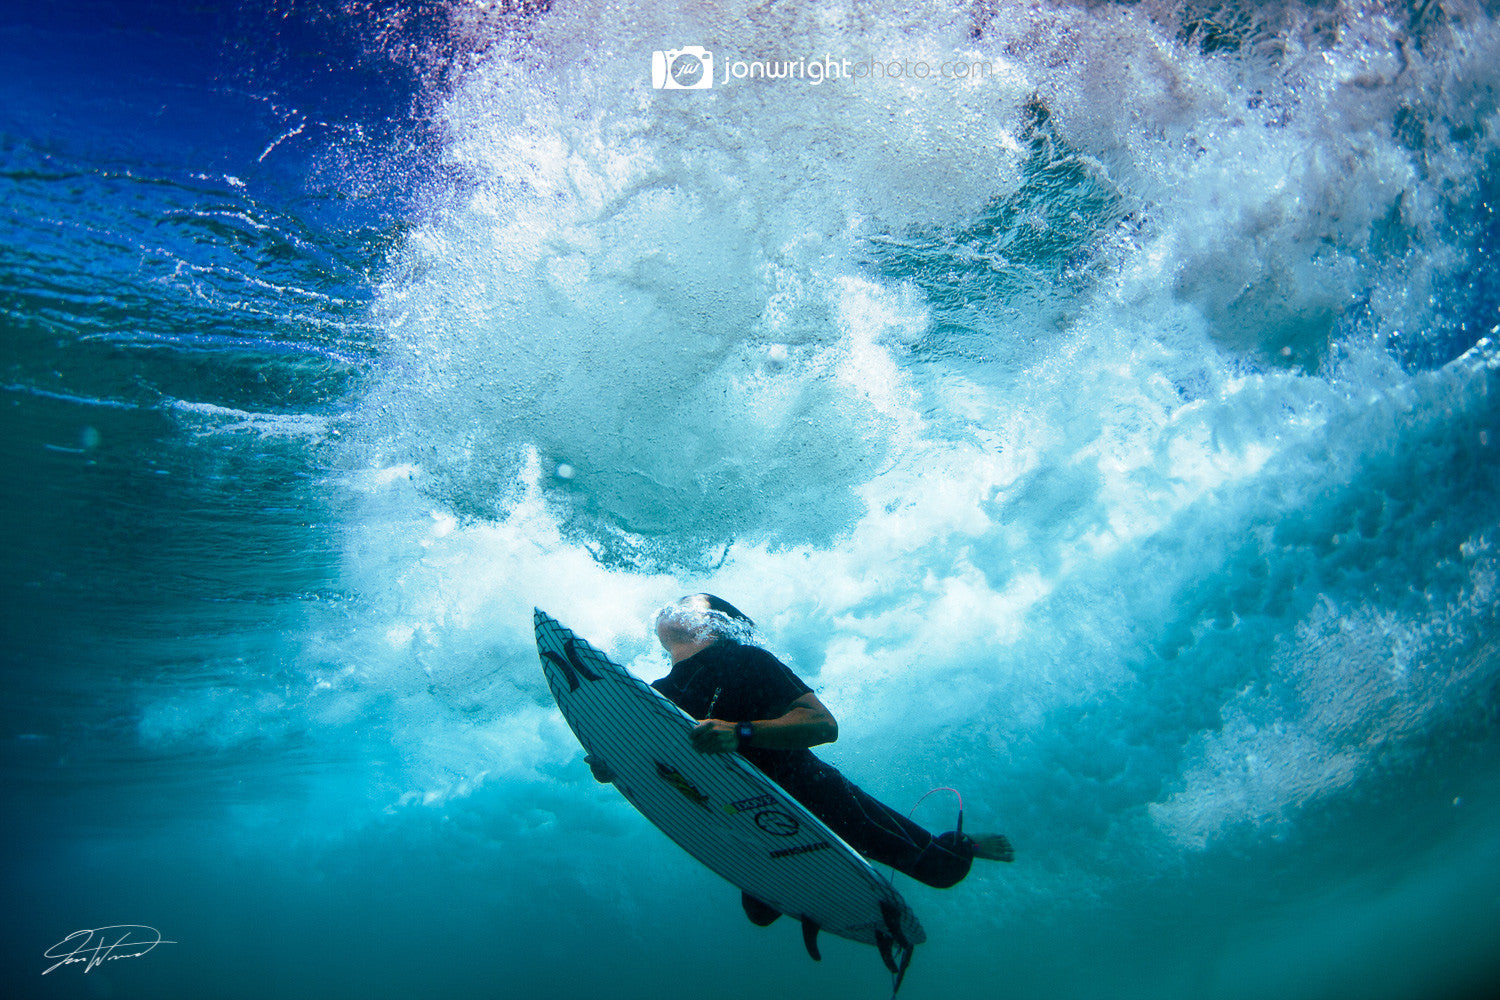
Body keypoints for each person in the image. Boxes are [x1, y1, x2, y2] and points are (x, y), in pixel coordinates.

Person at [588, 593, 1013, 926]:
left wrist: (740, 732)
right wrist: (616, 765)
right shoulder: (655, 694)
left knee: (940, 870)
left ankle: (966, 844)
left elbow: (823, 725)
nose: (673, 607)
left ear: (714, 621)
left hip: (814, 793)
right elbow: (656, 764)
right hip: (738, 811)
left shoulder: (746, 661)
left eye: (688, 603)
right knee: (759, 915)